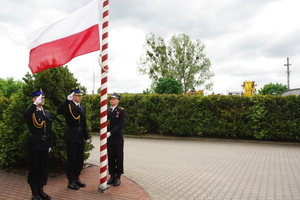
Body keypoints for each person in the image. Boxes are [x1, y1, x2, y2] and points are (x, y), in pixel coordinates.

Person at [57, 88, 90, 190]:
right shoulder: (68, 106)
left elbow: (83, 123)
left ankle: (77, 178)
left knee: (79, 159)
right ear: (73, 96)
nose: (80, 97)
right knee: (72, 159)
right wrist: (67, 100)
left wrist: (86, 136)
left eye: (81, 96)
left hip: (80, 135)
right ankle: (71, 180)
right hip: (71, 135)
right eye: (78, 95)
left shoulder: (82, 108)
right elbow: (59, 111)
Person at [23, 89, 52, 200]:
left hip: (45, 144)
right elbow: (25, 116)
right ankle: (34, 192)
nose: (43, 100)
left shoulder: (47, 113)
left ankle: (41, 190)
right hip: (34, 144)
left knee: (43, 168)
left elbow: (49, 130)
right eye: (40, 98)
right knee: (34, 168)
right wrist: (34, 104)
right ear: (34, 99)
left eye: (43, 98)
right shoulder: (32, 112)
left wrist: (50, 144)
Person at [106, 93, 126, 186]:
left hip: (117, 138)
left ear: (118, 101)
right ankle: (112, 176)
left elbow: (121, 124)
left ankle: (118, 177)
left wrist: (111, 132)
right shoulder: (107, 111)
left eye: (114, 99)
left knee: (118, 157)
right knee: (111, 157)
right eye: (111, 99)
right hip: (109, 139)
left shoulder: (121, 111)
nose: (112, 100)